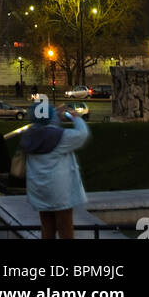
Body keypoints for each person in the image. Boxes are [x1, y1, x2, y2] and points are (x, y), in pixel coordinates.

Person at [19, 98, 90, 240]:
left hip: (39, 191)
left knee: (47, 229)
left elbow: (44, 124)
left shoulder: (29, 136)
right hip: (60, 192)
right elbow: (82, 134)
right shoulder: (60, 137)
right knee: (66, 230)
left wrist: (53, 115)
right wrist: (75, 118)